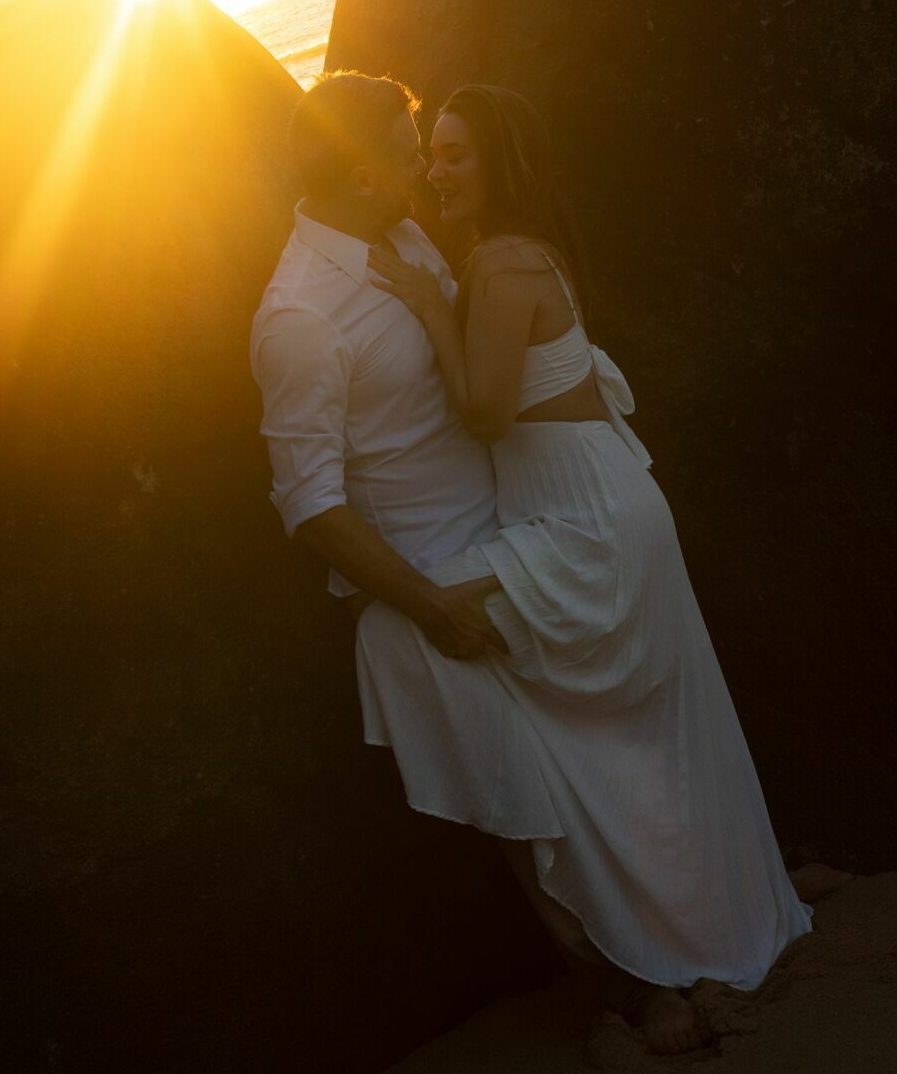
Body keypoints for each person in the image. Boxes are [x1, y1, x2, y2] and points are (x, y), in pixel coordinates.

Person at [251, 72, 813, 1056]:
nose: (426, 162)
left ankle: (709, 920)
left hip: (540, 535)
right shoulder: (298, 317)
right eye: (410, 143)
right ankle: (629, 982)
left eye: (438, 146)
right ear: (358, 163)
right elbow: (308, 502)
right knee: (524, 791)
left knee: (619, 763)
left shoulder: (415, 239)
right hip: (442, 579)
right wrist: (426, 605)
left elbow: (502, 363)